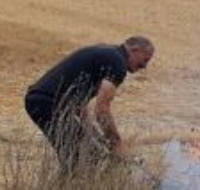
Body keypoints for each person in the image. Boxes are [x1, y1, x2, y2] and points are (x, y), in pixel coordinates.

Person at [25, 36, 154, 167]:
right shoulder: (118, 63)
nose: (144, 66)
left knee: (85, 154)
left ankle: (69, 179)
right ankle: (73, 180)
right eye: (145, 60)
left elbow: (79, 103)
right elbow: (102, 110)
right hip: (48, 103)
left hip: (39, 100)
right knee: (86, 157)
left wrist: (97, 136)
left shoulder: (109, 54)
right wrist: (116, 144)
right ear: (135, 49)